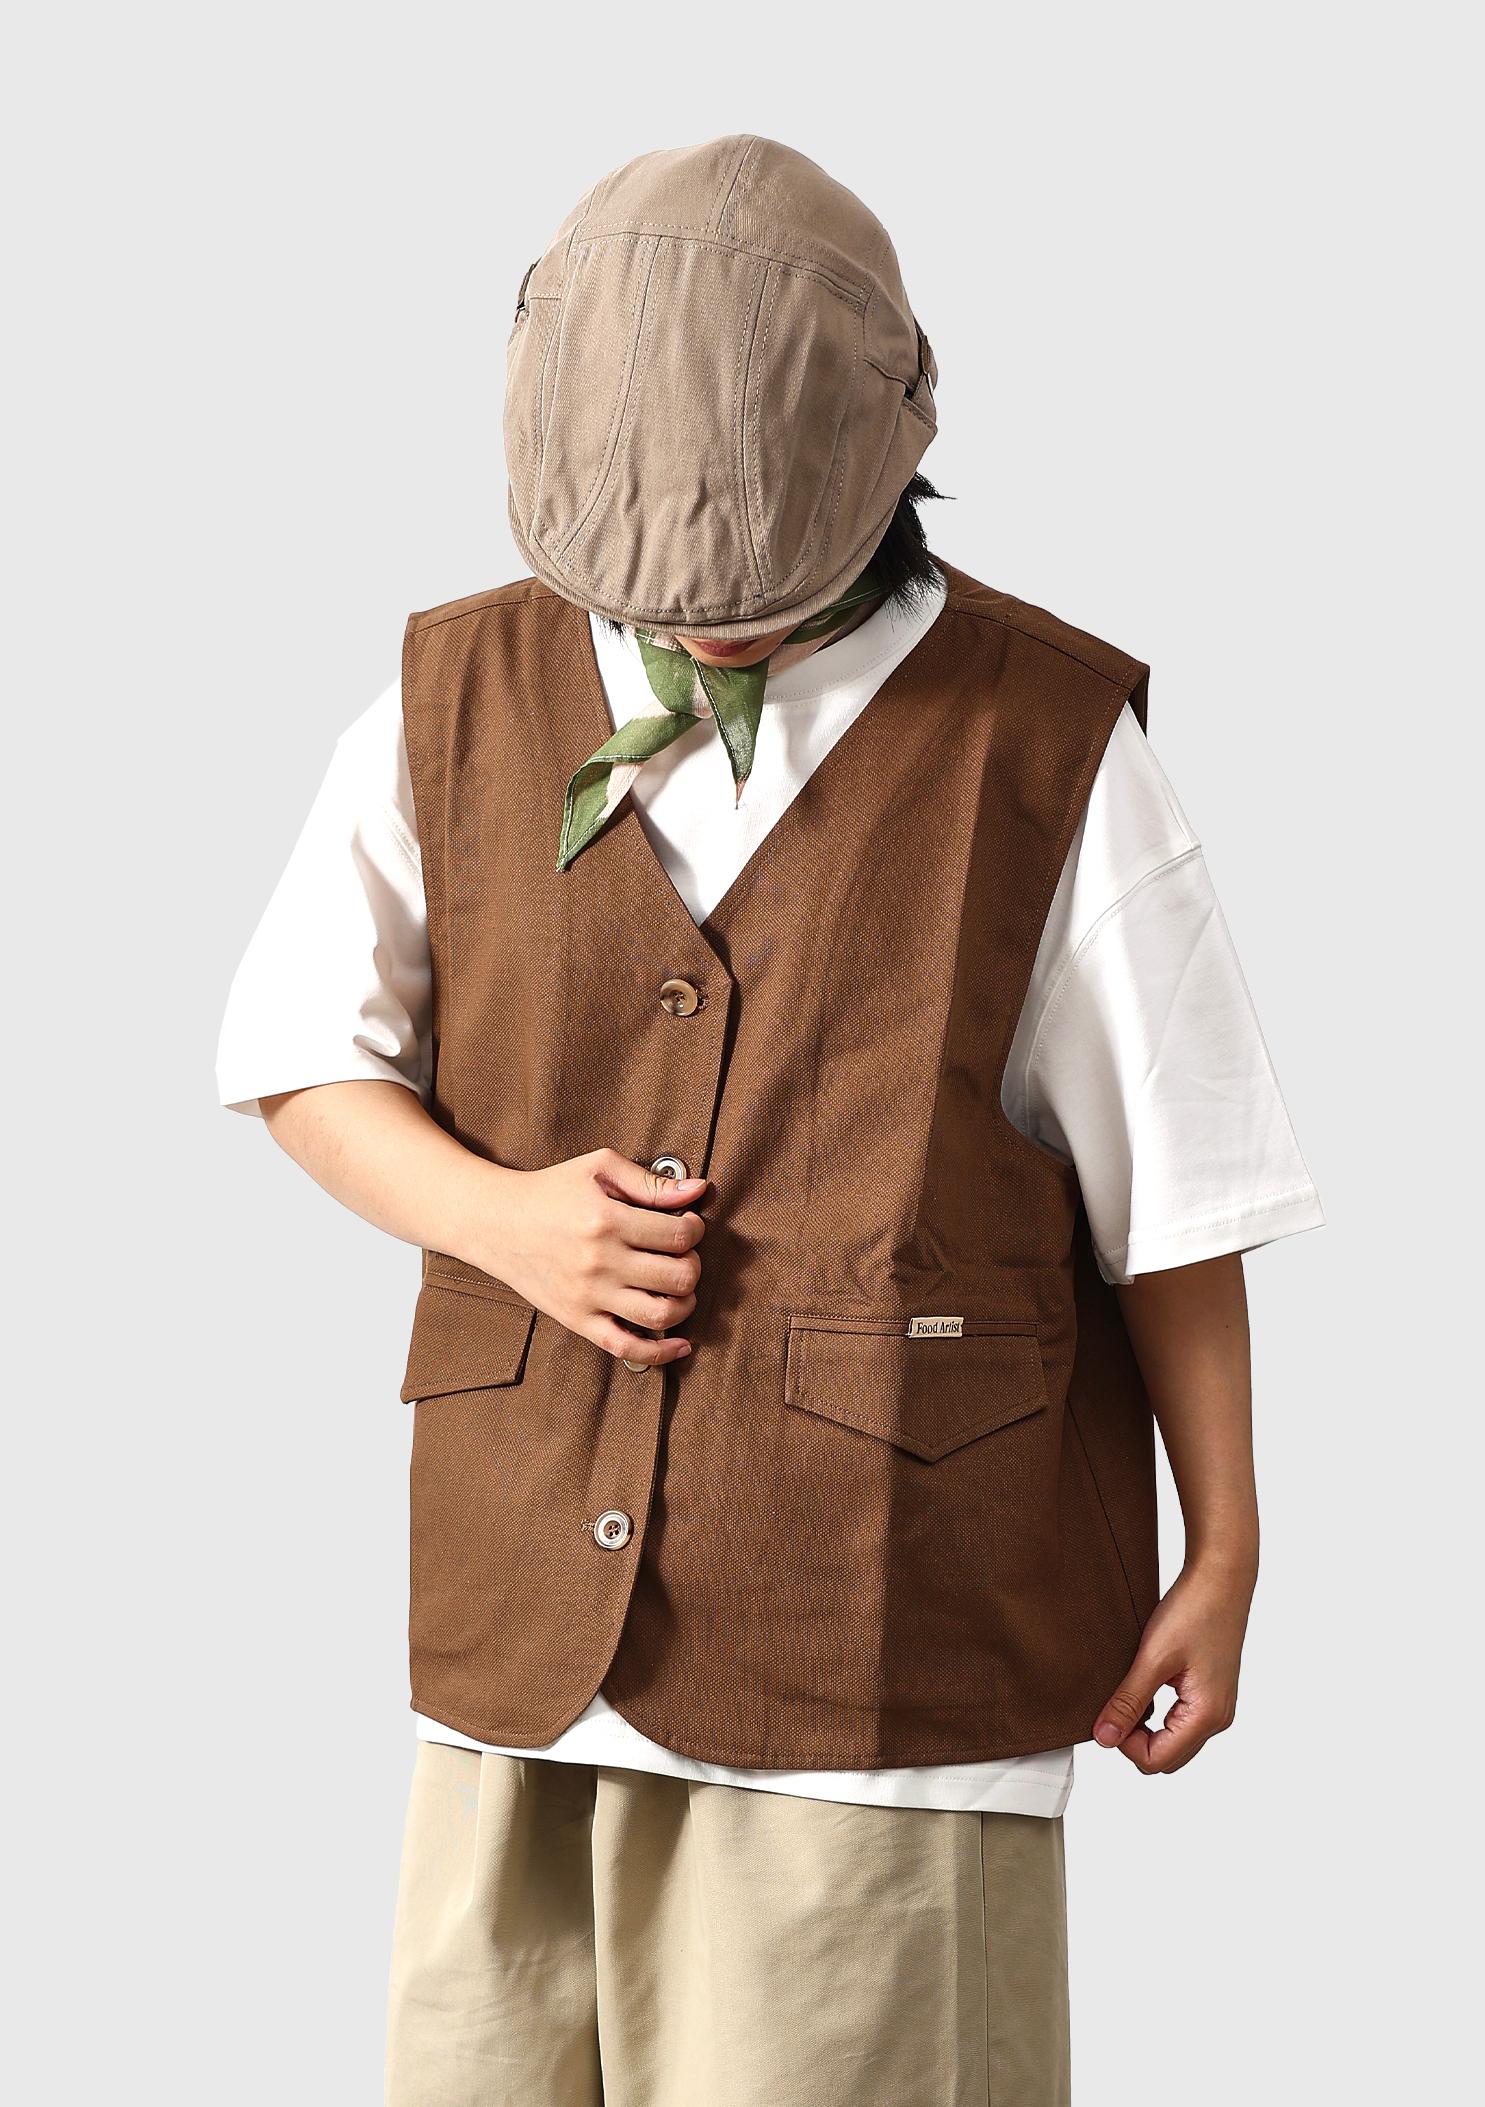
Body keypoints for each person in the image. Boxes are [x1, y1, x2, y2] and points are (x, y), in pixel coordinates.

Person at [217, 133, 1323, 2107]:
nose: (704, 623)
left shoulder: (1048, 741)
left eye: (753, 585)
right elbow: (302, 1052)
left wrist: (1225, 1543)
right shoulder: (451, 693)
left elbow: (1178, 1197)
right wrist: (497, 1217)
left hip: (887, 1656)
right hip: (518, 1641)